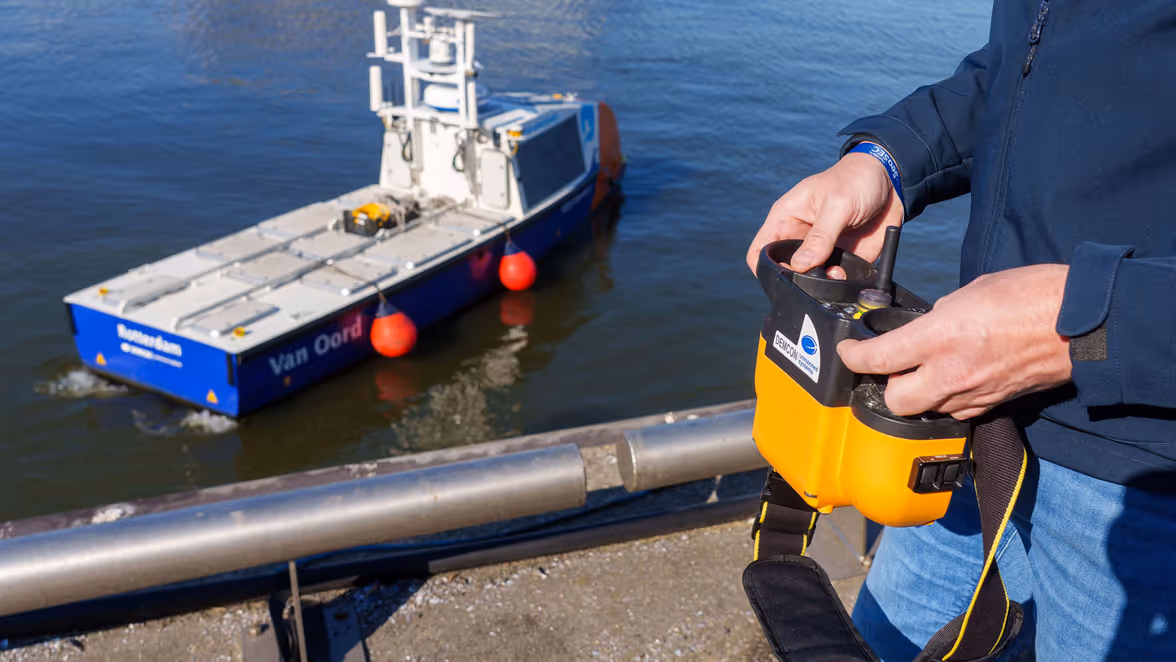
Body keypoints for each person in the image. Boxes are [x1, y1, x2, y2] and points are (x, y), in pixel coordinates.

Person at [745, 2, 1176, 660]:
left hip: (1137, 489)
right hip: (968, 422)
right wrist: (888, 161)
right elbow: (1026, 71)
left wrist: (1084, 325)